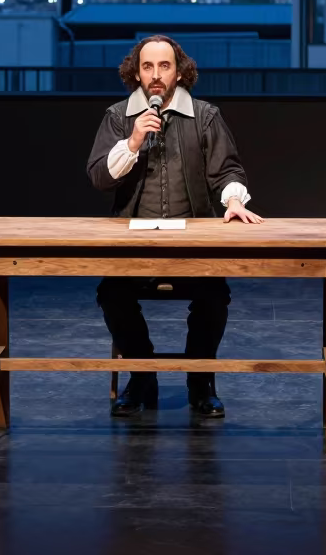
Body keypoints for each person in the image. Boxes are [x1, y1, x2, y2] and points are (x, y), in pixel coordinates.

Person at [86, 34, 263, 418]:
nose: (155, 75)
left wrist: (234, 200)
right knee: (112, 295)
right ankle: (142, 375)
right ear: (135, 73)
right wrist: (132, 141)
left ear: (180, 72)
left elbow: (228, 170)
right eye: (147, 66)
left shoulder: (205, 116)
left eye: (164, 66)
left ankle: (200, 382)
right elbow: (100, 176)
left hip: (193, 247)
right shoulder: (119, 117)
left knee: (214, 297)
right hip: (134, 250)